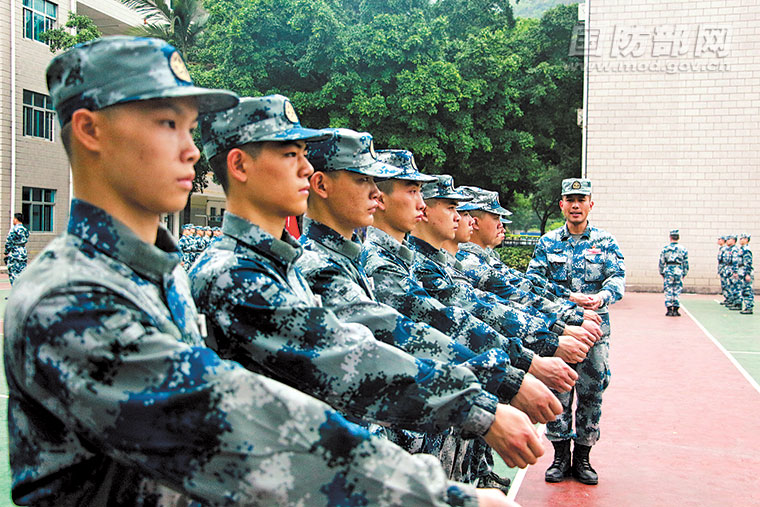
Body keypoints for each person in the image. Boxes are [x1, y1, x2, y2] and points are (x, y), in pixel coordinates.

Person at [5, 36, 510, 507]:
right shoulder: (69, 299)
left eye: (188, 127)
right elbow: (233, 423)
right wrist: (439, 495)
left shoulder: (157, 274)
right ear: (90, 129)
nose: (191, 150)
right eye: (166, 123)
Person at [527, 177, 625, 486]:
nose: (575, 205)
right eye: (570, 199)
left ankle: (583, 456)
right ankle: (559, 457)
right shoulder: (547, 242)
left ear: (590, 205)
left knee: (592, 391)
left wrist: (602, 297)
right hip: (558, 330)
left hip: (594, 332)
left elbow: (617, 277)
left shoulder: (605, 242)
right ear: (562, 205)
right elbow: (533, 283)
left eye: (581, 199)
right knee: (558, 390)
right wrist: (568, 298)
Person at [658, 229, 689, 316]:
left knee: (668, 289)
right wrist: (684, 273)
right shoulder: (683, 249)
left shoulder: (665, 249)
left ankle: (669, 309)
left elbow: (661, 261)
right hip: (678, 270)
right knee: (677, 289)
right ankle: (676, 309)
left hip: (668, 269)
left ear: (670, 237)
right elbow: (686, 263)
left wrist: (662, 272)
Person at [4, 212, 29, 285]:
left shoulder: (14, 229)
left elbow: (9, 241)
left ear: (15, 219)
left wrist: (6, 252)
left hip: (14, 253)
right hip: (23, 252)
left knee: (13, 273)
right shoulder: (25, 229)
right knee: (22, 273)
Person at [737, 233, 754, 314]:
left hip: (745, 272)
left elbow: (748, 263)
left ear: (746, 240)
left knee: (747, 290)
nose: (740, 240)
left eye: (742, 238)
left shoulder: (746, 250)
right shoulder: (742, 249)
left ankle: (749, 307)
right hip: (742, 272)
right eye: (740, 239)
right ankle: (747, 306)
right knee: (744, 290)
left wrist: (747, 274)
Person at [725, 234, 741, 310]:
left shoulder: (734, 249)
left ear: (733, 240)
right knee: (731, 287)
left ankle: (738, 303)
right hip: (730, 270)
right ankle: (733, 302)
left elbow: (735, 261)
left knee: (736, 287)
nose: (727, 241)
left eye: (729, 239)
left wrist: (735, 271)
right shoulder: (730, 249)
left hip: (733, 270)